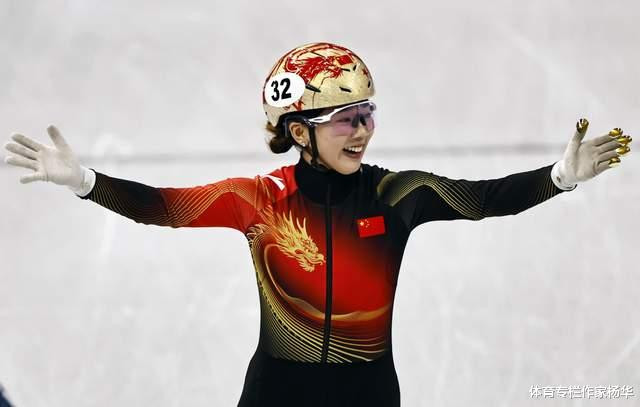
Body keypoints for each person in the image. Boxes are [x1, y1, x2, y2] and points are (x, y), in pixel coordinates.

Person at [3, 42, 632, 407]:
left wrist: (559, 176)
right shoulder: (258, 199)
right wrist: (85, 181)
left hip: (369, 393)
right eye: (344, 119)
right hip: (276, 393)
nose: (362, 130)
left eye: (367, 114)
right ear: (299, 132)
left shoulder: (396, 194)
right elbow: (164, 207)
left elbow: (486, 198)